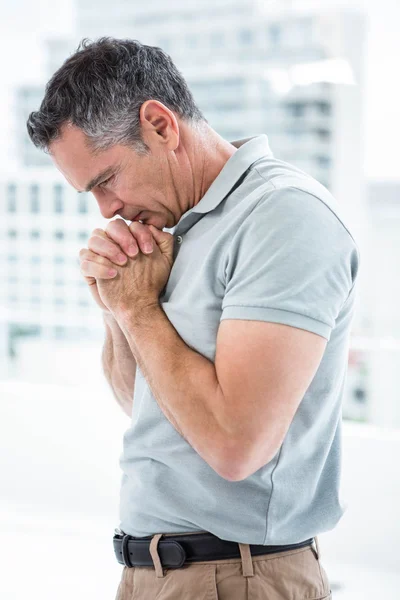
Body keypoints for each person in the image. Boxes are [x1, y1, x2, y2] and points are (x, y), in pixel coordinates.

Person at [27, 37, 360, 600]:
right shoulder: (178, 229)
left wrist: (138, 308)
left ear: (160, 125)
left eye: (105, 180)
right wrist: (118, 308)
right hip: (154, 573)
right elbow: (143, 402)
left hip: (238, 577)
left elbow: (236, 445)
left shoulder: (282, 217)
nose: (105, 209)